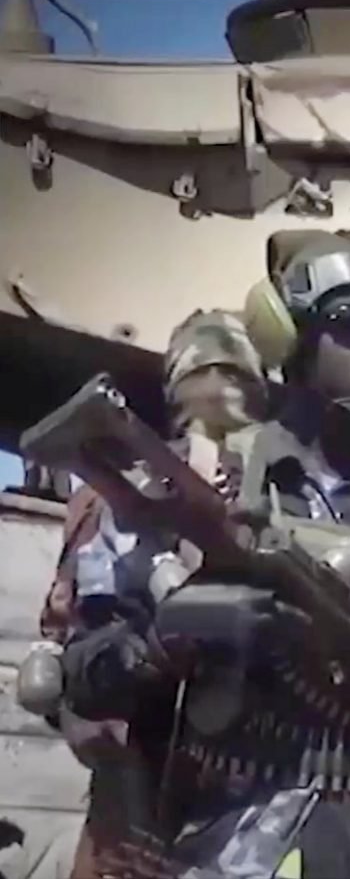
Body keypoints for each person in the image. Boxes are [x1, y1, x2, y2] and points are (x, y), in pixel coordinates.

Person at [52, 210, 350, 879]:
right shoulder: (200, 485)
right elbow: (79, 679)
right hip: (219, 848)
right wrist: (165, 638)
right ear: (292, 338)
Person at [7, 308, 269, 879]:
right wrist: (149, 649)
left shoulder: (277, 483)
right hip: (148, 776)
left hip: (244, 786)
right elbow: (73, 660)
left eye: (228, 374)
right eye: (211, 372)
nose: (219, 388)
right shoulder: (131, 484)